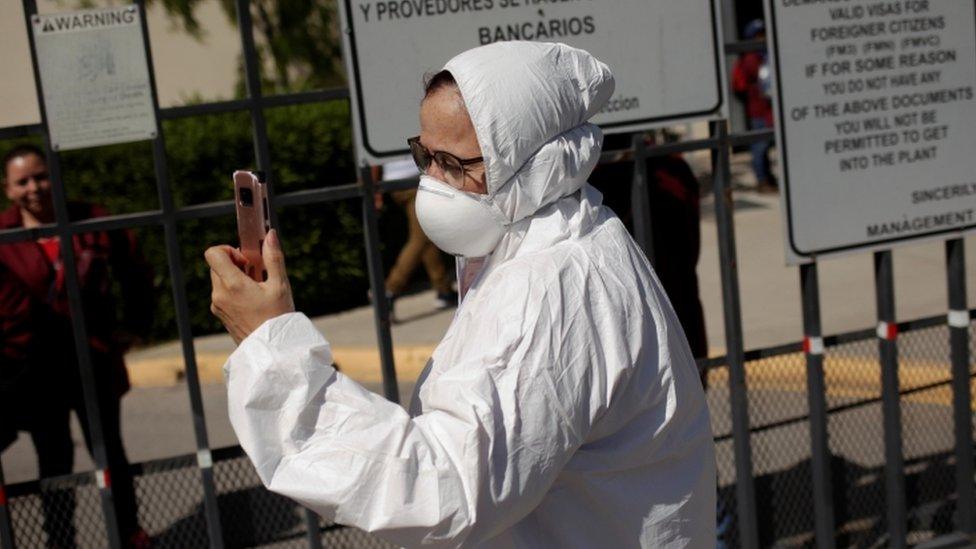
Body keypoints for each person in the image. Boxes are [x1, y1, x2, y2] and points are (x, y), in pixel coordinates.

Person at [207, 42, 715, 547]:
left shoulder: (550, 286)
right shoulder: (552, 235)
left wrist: (270, 345)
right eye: (425, 155)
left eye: (452, 163)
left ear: (536, 163)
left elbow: (443, 490)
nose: (431, 182)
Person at [0, 144, 154, 548]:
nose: (34, 187)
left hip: (95, 357)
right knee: (53, 458)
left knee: (109, 451)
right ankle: (61, 541)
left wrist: (135, 327)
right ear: (8, 189)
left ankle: (128, 533)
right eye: (23, 181)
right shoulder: (3, 235)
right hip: (38, 369)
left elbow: (135, 271)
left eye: (41, 176)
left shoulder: (91, 220)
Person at [373, 159, 457, 318]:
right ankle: (389, 290)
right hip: (413, 180)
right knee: (421, 237)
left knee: (424, 234)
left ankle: (444, 290)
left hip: (395, 183)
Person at [732, 19, 778, 194]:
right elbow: (741, 86)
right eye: (759, 35)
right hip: (758, 110)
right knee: (759, 146)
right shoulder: (751, 58)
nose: (763, 38)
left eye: (764, 34)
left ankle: (768, 178)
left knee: (766, 146)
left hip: (769, 111)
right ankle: (762, 181)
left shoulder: (766, 55)